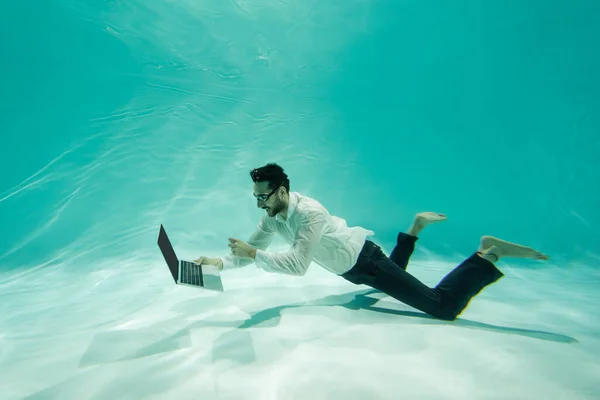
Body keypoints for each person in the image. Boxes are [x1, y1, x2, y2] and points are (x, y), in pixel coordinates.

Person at [194, 163, 549, 321]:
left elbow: (298, 266)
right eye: (255, 198)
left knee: (441, 306)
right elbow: (250, 248)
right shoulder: (272, 216)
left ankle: (487, 254)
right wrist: (219, 263)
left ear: (281, 190)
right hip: (353, 271)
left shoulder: (309, 213)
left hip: (367, 262)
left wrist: (253, 253)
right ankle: (414, 229)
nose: (259, 204)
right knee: (389, 283)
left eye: (263, 197)